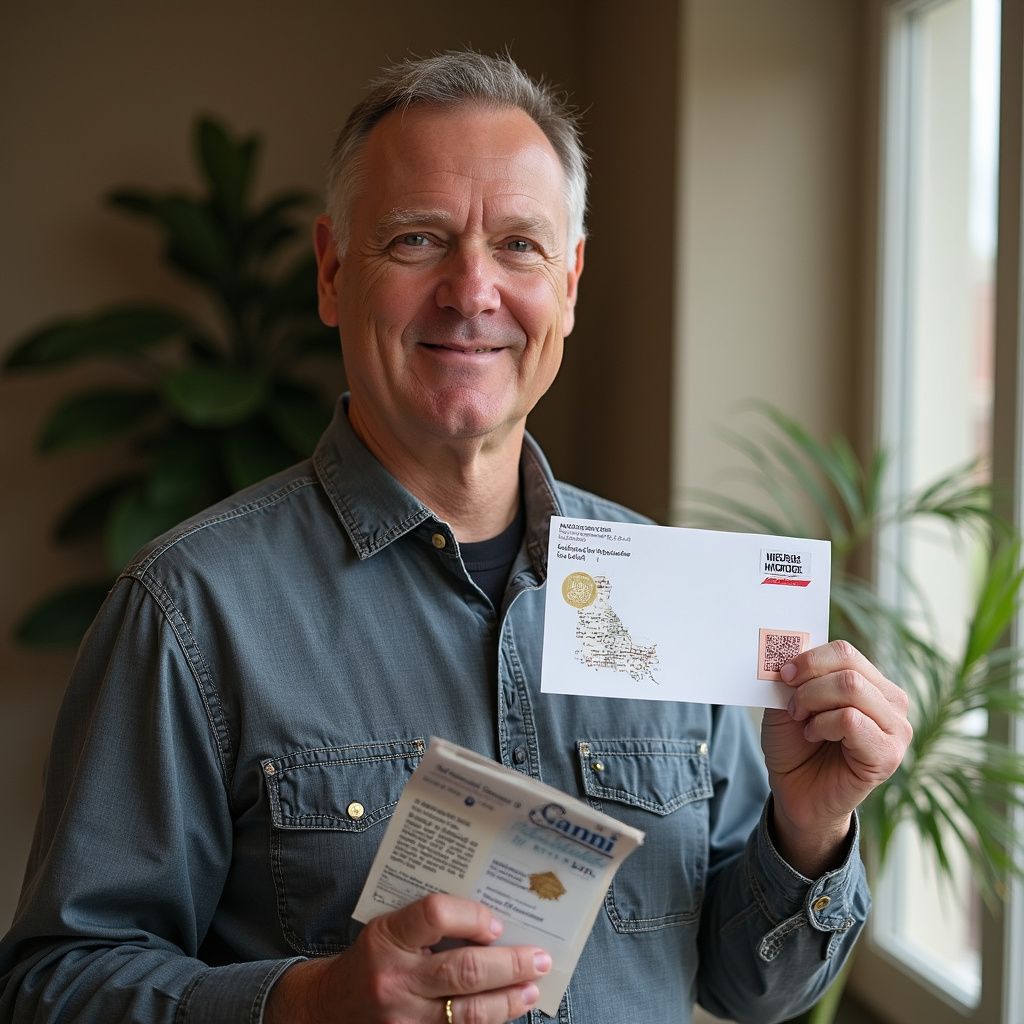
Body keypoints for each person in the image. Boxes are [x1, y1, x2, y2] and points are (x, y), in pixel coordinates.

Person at [0, 51, 911, 1024]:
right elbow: (53, 985)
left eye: (518, 245)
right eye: (417, 239)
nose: (471, 291)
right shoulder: (189, 609)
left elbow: (752, 988)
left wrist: (808, 828)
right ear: (331, 271)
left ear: (569, 282)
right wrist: (308, 1004)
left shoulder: (673, 598)